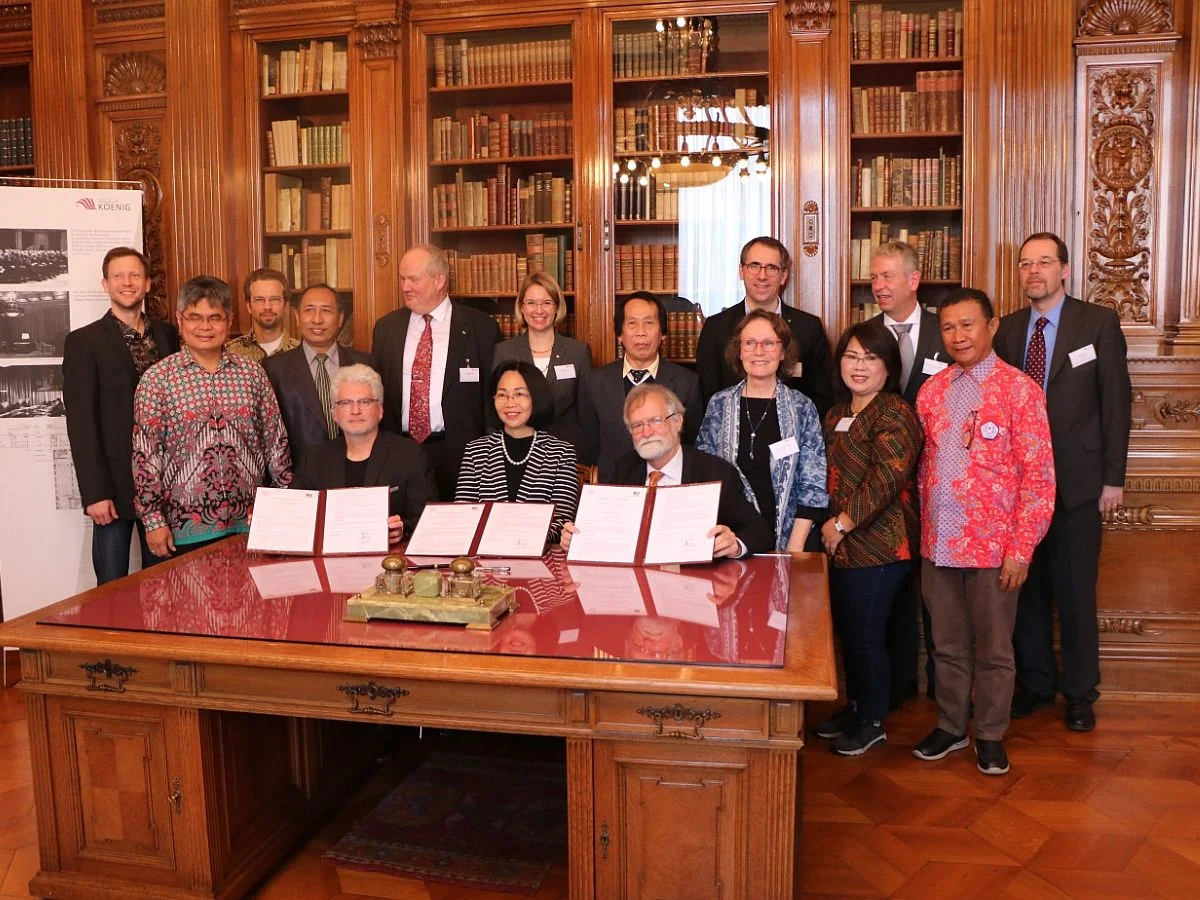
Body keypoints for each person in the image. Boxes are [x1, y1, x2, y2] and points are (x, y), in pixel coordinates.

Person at [913, 288, 1055, 776]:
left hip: (995, 548)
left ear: (991, 326)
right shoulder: (932, 391)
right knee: (947, 645)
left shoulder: (1020, 390)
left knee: (994, 650)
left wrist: (1021, 549)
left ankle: (991, 734)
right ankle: (952, 726)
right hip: (938, 543)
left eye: (967, 324)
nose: (958, 336)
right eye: (948, 327)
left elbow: (1039, 477)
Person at [996, 232, 1132, 733]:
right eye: (1025, 263)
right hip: (1019, 489)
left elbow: (1116, 402)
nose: (1034, 271)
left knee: (1075, 595)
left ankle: (1079, 692)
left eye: (1044, 262)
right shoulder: (1008, 330)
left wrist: (1113, 478)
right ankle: (1036, 684)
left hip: (1079, 484)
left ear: (1065, 269)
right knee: (1026, 593)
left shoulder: (1097, 323)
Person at [811, 321, 923, 755]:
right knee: (850, 632)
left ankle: (873, 721)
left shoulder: (894, 412)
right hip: (841, 547)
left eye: (870, 358)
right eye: (851, 356)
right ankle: (857, 707)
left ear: (888, 367)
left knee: (866, 634)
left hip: (881, 545)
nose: (859, 366)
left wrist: (841, 524)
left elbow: (886, 480)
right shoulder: (837, 413)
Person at [132, 276, 291, 557]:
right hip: (183, 528)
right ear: (179, 320)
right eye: (195, 317)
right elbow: (146, 456)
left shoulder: (252, 374)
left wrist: (283, 508)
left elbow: (275, 443)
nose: (205, 327)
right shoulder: (157, 379)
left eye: (215, 318)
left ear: (229, 321)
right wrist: (153, 520)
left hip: (252, 522)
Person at [62, 246, 179, 584]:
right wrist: (95, 493)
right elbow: (81, 424)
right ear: (105, 284)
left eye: (135, 275)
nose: (127, 282)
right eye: (118, 276)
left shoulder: (168, 335)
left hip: (164, 482)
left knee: (163, 583)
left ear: (148, 284)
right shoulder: (83, 342)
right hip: (113, 487)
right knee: (110, 588)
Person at [869, 239, 951, 707]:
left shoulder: (946, 331)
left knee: (940, 593)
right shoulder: (865, 335)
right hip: (883, 486)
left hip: (939, 481)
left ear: (913, 280)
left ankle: (945, 689)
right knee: (894, 588)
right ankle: (897, 686)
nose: (878, 285)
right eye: (874, 277)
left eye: (887, 276)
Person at [562, 383, 773, 558]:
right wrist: (576, 537)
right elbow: (603, 528)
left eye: (655, 421)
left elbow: (760, 532)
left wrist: (734, 544)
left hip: (696, 584)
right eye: (637, 425)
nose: (646, 432)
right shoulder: (624, 469)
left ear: (677, 422)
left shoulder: (715, 472)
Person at [372, 244, 501, 499]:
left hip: (461, 454)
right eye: (402, 279)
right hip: (400, 450)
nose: (405, 287)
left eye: (413, 279)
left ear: (439, 280)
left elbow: (491, 396)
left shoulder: (481, 327)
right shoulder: (387, 328)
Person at [695, 310, 828, 552]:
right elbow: (704, 476)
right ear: (739, 350)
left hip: (791, 539)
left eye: (769, 343)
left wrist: (793, 549)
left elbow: (813, 484)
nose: (759, 351)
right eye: (750, 343)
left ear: (783, 351)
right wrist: (727, 541)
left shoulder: (802, 407)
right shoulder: (719, 404)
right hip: (732, 540)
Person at [293, 364, 437, 544]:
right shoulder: (313, 459)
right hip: (329, 557)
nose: (355, 411)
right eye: (346, 403)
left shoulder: (409, 454)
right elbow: (295, 516)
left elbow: (427, 517)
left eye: (364, 402)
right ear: (334, 413)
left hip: (390, 558)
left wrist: (403, 530)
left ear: (380, 410)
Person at [694, 236, 834, 415]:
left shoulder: (809, 327)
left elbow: (822, 396)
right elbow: (708, 396)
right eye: (754, 266)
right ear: (741, 271)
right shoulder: (715, 328)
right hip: (730, 429)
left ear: (783, 276)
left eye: (771, 268)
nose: (762, 276)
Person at [579, 291, 703, 482]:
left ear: (662, 333)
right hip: (613, 485)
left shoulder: (687, 382)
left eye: (649, 323)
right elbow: (590, 444)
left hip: (667, 484)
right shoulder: (595, 381)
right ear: (620, 334)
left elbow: (690, 442)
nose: (641, 332)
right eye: (632, 323)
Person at [455, 360, 579, 545]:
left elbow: (562, 520)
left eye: (519, 394)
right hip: (485, 555)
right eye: (502, 395)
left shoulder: (561, 453)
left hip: (537, 556)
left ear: (536, 397)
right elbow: (462, 514)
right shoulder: (475, 451)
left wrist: (518, 538)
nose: (510, 403)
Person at [264, 283, 372, 464]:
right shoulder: (274, 369)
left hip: (358, 469)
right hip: (299, 472)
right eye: (309, 310)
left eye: (326, 311)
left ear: (340, 318)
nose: (317, 319)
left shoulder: (367, 364)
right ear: (297, 317)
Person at [493, 271, 592, 454]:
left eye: (547, 302)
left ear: (557, 308)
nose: (539, 310)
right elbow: (494, 412)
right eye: (531, 303)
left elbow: (586, 414)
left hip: (565, 452)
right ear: (522, 308)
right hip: (516, 451)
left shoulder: (578, 352)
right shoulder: (504, 352)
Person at [225, 267, 299, 363]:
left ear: (286, 305)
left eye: (274, 299)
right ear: (248, 306)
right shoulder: (229, 353)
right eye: (259, 300)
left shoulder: (302, 354)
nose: (267, 307)